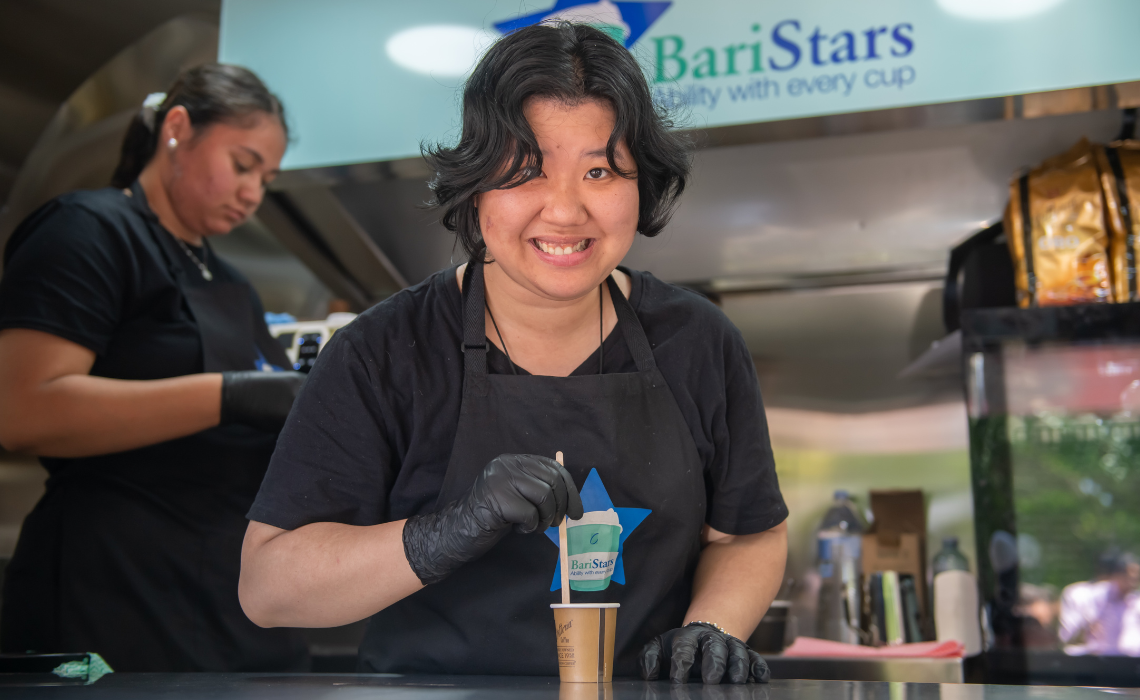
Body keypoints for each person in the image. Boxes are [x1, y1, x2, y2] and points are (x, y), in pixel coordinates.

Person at [239, 24, 788, 684]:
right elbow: (269, 587)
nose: (564, 210)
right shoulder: (380, 352)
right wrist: (450, 529)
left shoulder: (698, 341)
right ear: (475, 186)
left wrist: (712, 627)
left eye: (599, 170)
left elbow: (748, 534)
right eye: (527, 171)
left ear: (641, 184)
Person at [0, 64, 308, 672]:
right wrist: (232, 395)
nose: (253, 193)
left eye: (266, 179)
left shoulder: (231, 282)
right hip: (113, 585)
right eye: (243, 164)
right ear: (177, 128)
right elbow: (21, 409)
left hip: (225, 597)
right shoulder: (88, 231)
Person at [1059, 550, 1140, 655]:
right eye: (1129, 577)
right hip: (1096, 661)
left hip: (1131, 662)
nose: (1133, 582)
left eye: (1136, 578)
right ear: (1116, 575)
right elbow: (1069, 635)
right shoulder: (1093, 595)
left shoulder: (1135, 600)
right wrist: (1087, 627)